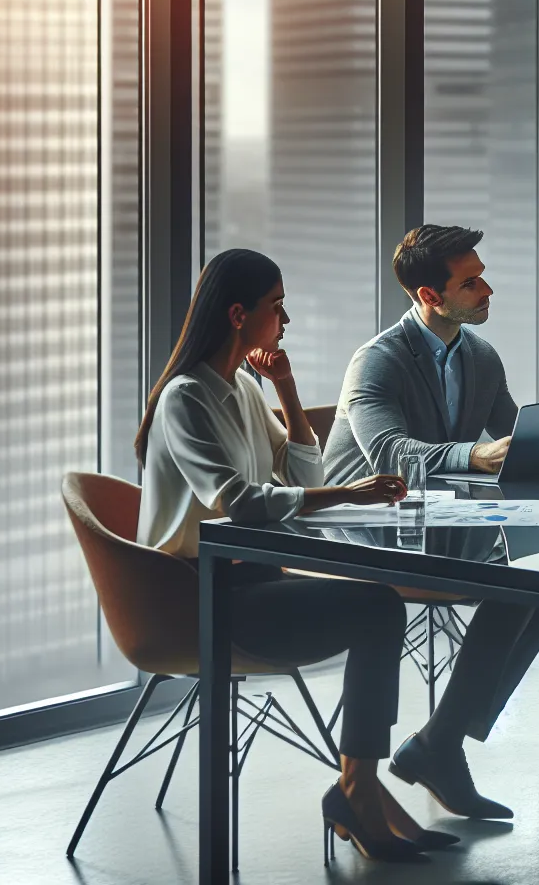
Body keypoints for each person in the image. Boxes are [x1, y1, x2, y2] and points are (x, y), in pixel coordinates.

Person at [135, 249, 435, 862]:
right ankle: (359, 789)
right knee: (378, 610)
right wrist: (346, 493)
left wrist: (287, 389)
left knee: (378, 606)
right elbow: (239, 502)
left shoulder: (243, 386)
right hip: (196, 597)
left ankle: (360, 787)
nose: (286, 319)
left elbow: (304, 469)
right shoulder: (185, 399)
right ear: (240, 314)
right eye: (277, 307)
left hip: (251, 578)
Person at [321, 224, 539, 822]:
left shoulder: (479, 356)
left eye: (481, 275)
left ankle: (441, 741)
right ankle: (440, 746)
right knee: (517, 583)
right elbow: (392, 456)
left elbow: (512, 442)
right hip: (367, 531)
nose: (487, 289)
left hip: (438, 521)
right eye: (470, 282)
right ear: (429, 295)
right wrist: (477, 456)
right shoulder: (377, 361)